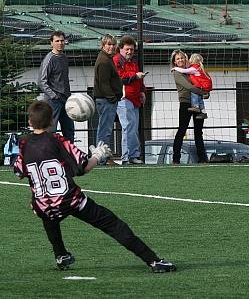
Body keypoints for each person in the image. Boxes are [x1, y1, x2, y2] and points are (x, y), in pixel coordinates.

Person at [13, 100, 176, 273]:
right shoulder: (57, 140)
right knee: (113, 224)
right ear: (52, 121)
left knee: (49, 216)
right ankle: (153, 261)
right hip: (70, 199)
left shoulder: (24, 144)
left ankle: (61, 255)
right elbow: (83, 168)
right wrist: (97, 156)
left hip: (43, 204)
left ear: (30, 122)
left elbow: (19, 173)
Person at [170, 50, 208, 164]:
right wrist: (203, 93)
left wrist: (206, 91)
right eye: (178, 59)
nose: (180, 60)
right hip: (186, 104)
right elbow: (189, 87)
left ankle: (202, 158)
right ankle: (176, 158)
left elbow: (202, 81)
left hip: (197, 103)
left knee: (198, 131)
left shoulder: (192, 70)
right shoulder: (177, 73)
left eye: (182, 58)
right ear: (174, 62)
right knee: (182, 130)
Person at [113, 35, 146, 165]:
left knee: (133, 127)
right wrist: (135, 76)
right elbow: (120, 77)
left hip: (135, 99)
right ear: (120, 48)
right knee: (128, 127)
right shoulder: (116, 60)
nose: (129, 52)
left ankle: (133, 155)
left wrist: (143, 91)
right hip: (123, 98)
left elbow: (139, 80)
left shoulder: (133, 62)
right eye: (127, 49)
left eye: (131, 49)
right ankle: (126, 157)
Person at [38, 30, 74, 143]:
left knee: (69, 130)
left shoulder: (64, 57)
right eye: (57, 41)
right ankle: (49, 157)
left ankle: (70, 156)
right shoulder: (49, 59)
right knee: (50, 130)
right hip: (53, 101)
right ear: (51, 43)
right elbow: (41, 81)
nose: (60, 43)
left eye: (62, 40)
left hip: (65, 99)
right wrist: (54, 96)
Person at [93, 34, 122, 165]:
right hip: (106, 100)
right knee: (105, 129)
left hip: (107, 99)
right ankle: (101, 158)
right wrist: (112, 98)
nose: (111, 47)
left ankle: (104, 158)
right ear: (103, 45)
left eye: (113, 44)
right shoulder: (104, 61)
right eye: (109, 44)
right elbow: (104, 83)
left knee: (105, 128)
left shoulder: (107, 58)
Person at [172, 53, 213, 120]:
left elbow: (184, 70)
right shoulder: (199, 67)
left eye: (182, 58)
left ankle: (196, 107)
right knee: (200, 100)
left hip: (197, 90)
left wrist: (175, 68)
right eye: (178, 59)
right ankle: (204, 113)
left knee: (195, 92)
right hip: (204, 87)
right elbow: (188, 66)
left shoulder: (193, 69)